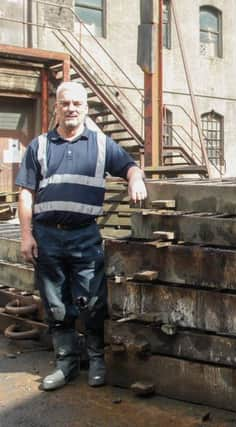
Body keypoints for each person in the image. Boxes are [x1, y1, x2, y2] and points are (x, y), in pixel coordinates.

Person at [16, 81, 147, 390]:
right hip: (47, 237)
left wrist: (135, 179)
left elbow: (130, 166)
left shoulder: (101, 144)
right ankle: (66, 364)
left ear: (86, 108)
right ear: (56, 108)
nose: (71, 108)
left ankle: (96, 361)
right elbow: (26, 193)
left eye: (77, 103)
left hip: (85, 236)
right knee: (56, 304)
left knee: (92, 302)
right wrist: (26, 235)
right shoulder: (40, 145)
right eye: (65, 104)